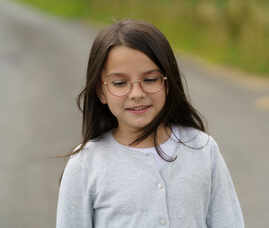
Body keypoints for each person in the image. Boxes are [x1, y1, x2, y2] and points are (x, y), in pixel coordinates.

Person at [56, 19, 244, 228]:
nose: (137, 94)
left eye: (150, 79)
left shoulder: (203, 149)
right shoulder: (84, 165)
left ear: (168, 83)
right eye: (119, 83)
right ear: (101, 92)